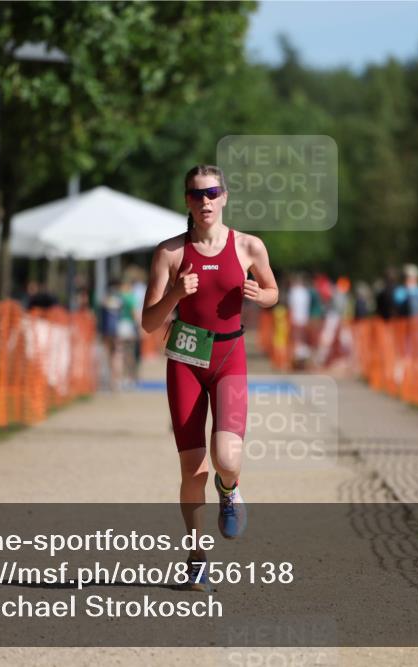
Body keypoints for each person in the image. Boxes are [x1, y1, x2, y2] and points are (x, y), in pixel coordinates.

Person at [141, 164, 278, 593]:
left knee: (227, 459)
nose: (205, 201)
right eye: (197, 194)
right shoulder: (169, 253)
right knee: (191, 467)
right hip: (185, 358)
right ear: (187, 200)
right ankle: (197, 557)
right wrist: (176, 293)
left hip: (229, 357)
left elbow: (273, 291)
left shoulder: (249, 246)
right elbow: (149, 322)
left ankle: (230, 489)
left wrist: (261, 295)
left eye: (212, 193)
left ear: (224, 197)